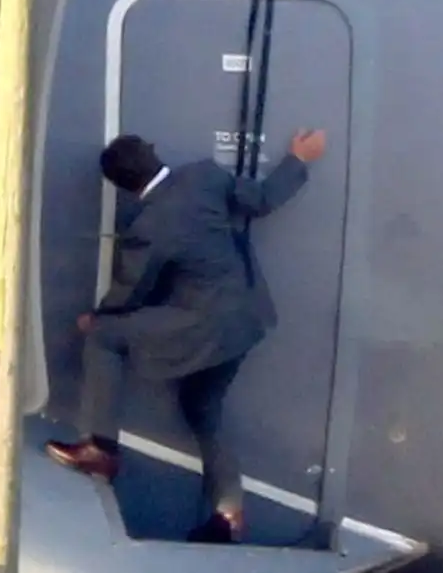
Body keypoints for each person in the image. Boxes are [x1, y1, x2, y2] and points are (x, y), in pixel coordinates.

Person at [43, 129, 326, 543]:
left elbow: (131, 289)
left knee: (104, 337)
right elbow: (263, 199)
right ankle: (227, 512)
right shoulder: (205, 176)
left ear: (123, 186)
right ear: (153, 153)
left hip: (202, 322)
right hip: (248, 320)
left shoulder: (148, 225)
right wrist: (298, 160)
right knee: (202, 408)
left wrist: (98, 318)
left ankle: (101, 449)